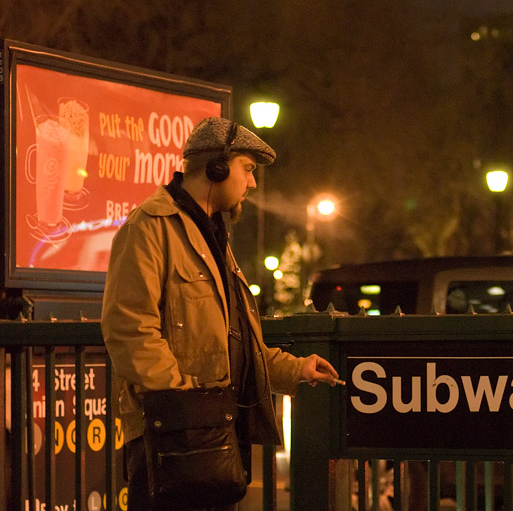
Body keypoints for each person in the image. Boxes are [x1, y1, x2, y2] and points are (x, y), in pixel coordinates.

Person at [101, 117, 340, 510]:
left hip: (209, 435)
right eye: (247, 169)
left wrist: (295, 371)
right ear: (218, 167)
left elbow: (235, 340)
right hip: (171, 439)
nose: (253, 183)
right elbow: (129, 328)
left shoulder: (210, 234)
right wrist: (186, 399)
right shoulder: (150, 227)